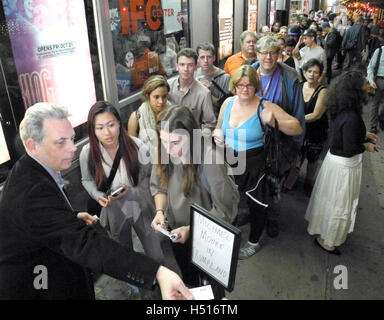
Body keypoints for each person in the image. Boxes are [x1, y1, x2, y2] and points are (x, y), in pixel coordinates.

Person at [0, 102, 193, 300]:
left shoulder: (33, 171)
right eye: (60, 142)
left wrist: (71, 217)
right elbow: (87, 244)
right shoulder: (32, 190)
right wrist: (157, 273)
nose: (72, 148)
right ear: (33, 145)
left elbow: (44, 221)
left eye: (72, 139)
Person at [150, 105, 239, 298]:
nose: (169, 149)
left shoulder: (210, 160)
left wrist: (191, 229)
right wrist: (159, 211)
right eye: (164, 141)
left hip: (205, 239)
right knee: (188, 279)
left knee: (211, 286)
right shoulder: (166, 152)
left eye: (175, 142)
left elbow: (225, 211)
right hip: (175, 233)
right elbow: (159, 187)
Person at [213, 65, 302, 259]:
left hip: (255, 163)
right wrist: (217, 133)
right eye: (240, 85)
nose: (245, 89)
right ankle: (236, 224)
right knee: (233, 199)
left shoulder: (264, 106)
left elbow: (297, 128)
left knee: (257, 204)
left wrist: (274, 122)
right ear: (234, 85)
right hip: (230, 160)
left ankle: (253, 242)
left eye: (250, 86)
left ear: (256, 86)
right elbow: (219, 126)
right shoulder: (228, 103)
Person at [80, 101, 170, 271]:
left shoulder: (137, 146)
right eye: (99, 128)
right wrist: (97, 195)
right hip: (114, 209)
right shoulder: (88, 152)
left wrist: (133, 191)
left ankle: (161, 282)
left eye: (111, 125)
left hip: (140, 206)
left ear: (119, 123)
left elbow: (150, 180)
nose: (107, 133)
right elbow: (86, 180)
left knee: (156, 255)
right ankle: (134, 284)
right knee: (124, 252)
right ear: (93, 130)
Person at [305, 71, 379, 255]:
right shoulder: (352, 116)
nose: (368, 84)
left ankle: (324, 231)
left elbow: (344, 133)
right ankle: (327, 241)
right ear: (356, 90)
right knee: (339, 204)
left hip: (334, 162)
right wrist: (366, 146)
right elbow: (349, 149)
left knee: (329, 201)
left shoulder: (342, 108)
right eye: (364, 83)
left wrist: (363, 135)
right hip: (344, 167)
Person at [251, 36, 306, 238]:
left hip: (279, 144)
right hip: (253, 142)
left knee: (274, 184)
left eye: (273, 52)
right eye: (264, 52)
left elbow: (298, 116)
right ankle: (254, 212)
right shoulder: (249, 72)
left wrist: (294, 149)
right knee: (254, 181)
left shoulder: (290, 77)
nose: (268, 57)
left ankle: (272, 218)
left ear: (279, 54)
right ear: (256, 54)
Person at [167, 48, 217, 132]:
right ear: (176, 66)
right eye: (182, 64)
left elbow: (211, 123)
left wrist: (197, 136)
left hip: (192, 138)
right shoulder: (168, 86)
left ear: (196, 67)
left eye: (190, 65)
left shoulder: (204, 93)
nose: (185, 69)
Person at [127, 75, 171, 162]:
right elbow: (132, 150)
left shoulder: (172, 113)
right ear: (147, 96)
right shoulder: (136, 118)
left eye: (164, 96)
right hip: (147, 166)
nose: (161, 101)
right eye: (156, 97)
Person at [300, 59, 328, 197]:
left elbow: (316, 115)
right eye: (309, 71)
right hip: (299, 130)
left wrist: (295, 120)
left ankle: (308, 182)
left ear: (320, 75)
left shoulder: (323, 91)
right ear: (304, 72)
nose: (311, 75)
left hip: (315, 131)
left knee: (312, 158)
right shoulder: (299, 86)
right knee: (297, 156)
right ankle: (291, 179)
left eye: (316, 72)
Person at [195, 42, 231, 116]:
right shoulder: (194, 74)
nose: (206, 61)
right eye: (202, 57)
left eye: (209, 57)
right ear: (197, 59)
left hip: (216, 118)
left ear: (214, 58)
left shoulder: (225, 78)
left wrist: (207, 91)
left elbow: (226, 106)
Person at [366, 42, 384, 134]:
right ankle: (373, 126)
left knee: (377, 106)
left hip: (378, 81)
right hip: (378, 81)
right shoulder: (379, 51)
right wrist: (371, 80)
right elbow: (370, 67)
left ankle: (381, 119)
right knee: (375, 104)